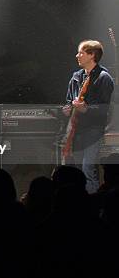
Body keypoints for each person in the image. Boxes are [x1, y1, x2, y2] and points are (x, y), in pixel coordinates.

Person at [62, 40, 114, 193]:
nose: (77, 55)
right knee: (76, 171)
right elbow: (68, 101)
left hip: (93, 131)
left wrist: (86, 109)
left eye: (81, 53)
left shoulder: (104, 78)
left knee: (87, 169)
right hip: (76, 130)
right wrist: (66, 109)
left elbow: (104, 109)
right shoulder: (76, 77)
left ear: (92, 55)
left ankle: (92, 204)